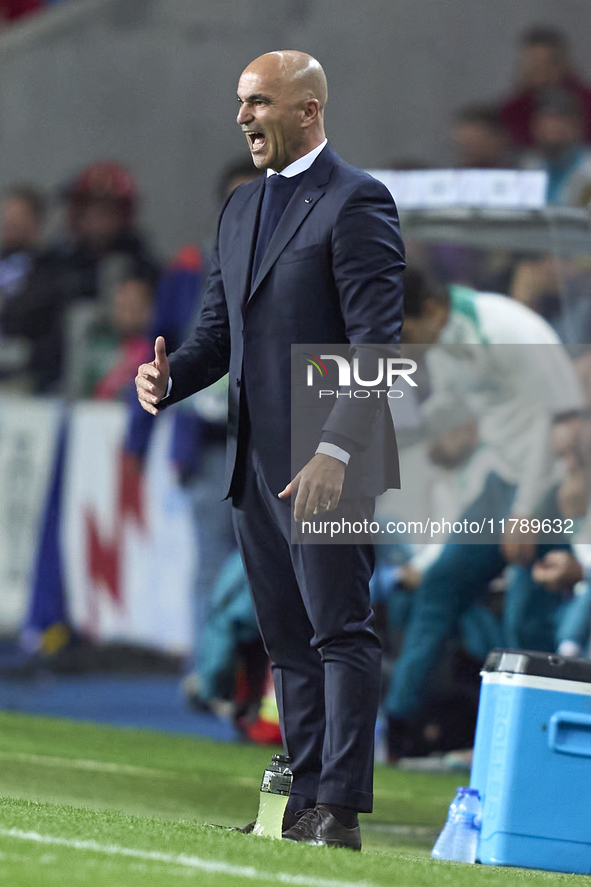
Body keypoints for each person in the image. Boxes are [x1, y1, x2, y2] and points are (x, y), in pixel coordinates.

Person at [136, 50, 405, 849]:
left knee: (339, 630)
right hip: (253, 459)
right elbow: (220, 335)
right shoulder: (240, 208)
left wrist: (334, 451)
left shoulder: (357, 200)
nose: (243, 117)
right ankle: (300, 799)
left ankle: (341, 809)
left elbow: (376, 343)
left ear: (307, 110)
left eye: (257, 102)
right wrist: (169, 376)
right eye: (240, 102)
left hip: (331, 460)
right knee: (285, 638)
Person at [386, 267, 584, 759]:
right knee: (440, 587)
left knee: (526, 622)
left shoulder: (506, 331)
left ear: (430, 310)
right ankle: (399, 727)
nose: (406, 348)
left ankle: (530, 748)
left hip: (549, 489)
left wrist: (525, 511)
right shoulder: (451, 339)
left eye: (406, 334)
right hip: (503, 484)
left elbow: (556, 426)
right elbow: (455, 406)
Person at [500, 27, 591, 148]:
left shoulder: (586, 102)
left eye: (546, 63)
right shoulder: (511, 111)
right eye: (533, 64)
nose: (540, 72)